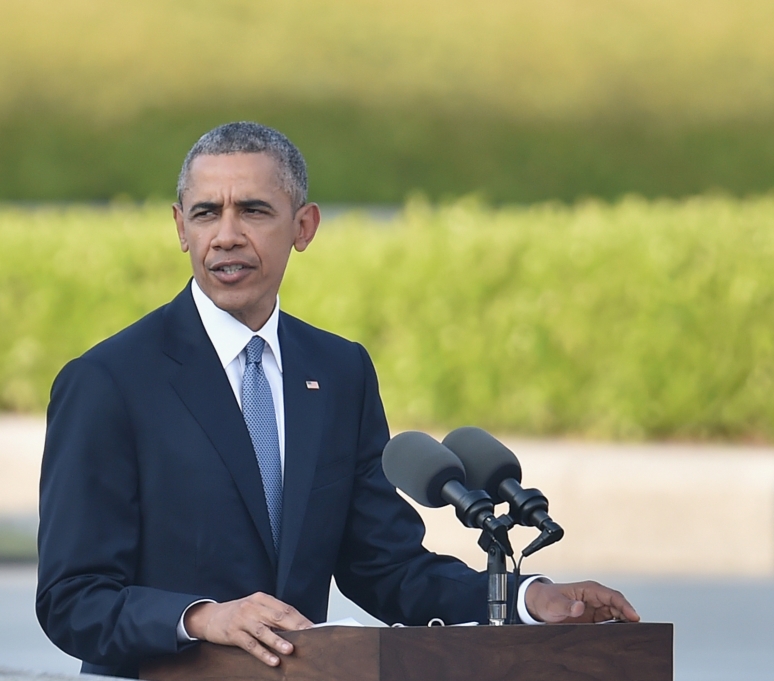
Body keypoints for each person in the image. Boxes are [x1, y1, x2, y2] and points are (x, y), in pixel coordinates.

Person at [35, 122, 639, 677]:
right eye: (205, 213)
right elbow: (72, 599)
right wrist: (200, 618)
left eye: (252, 211)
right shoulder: (109, 381)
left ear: (303, 227)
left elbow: (386, 567)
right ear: (179, 227)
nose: (225, 235)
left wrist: (529, 597)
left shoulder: (338, 370)